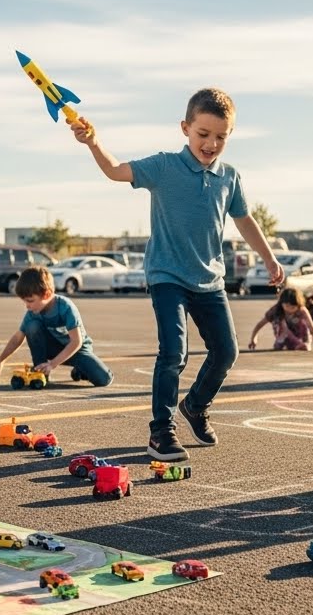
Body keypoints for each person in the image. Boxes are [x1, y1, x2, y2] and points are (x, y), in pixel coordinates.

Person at [72, 88, 284, 461]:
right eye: (203, 134)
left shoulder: (229, 177)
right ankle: (161, 431)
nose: (211, 143)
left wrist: (269, 258)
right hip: (167, 275)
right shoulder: (164, 167)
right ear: (185, 128)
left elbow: (244, 220)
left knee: (226, 351)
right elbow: (115, 170)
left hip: (209, 280)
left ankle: (196, 406)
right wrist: (93, 142)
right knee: (174, 352)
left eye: (221, 137)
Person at [0, 265, 113, 387]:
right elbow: (17, 338)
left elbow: (76, 342)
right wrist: (0, 361)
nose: (27, 306)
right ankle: (41, 371)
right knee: (32, 326)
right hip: (54, 350)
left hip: (77, 350)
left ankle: (80, 370)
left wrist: (53, 364)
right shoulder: (33, 313)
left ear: (47, 294)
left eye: (30, 301)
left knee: (103, 379)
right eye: (25, 301)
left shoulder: (65, 307)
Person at [247, 287, 313, 352]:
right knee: (280, 322)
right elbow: (260, 324)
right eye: (286, 306)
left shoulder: (302, 310)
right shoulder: (276, 310)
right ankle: (285, 343)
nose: (289, 309)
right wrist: (253, 338)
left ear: (298, 305)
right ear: (281, 304)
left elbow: (312, 328)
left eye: (293, 307)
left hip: (300, 337)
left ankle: (300, 344)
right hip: (284, 337)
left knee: (303, 323)